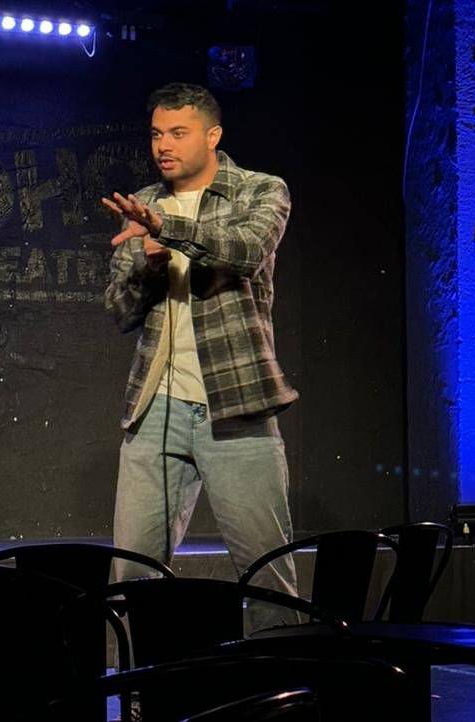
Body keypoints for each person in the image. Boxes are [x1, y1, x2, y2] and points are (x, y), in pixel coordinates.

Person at [102, 82, 299, 611]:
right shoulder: (141, 203)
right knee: (130, 579)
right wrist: (149, 265)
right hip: (154, 410)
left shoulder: (259, 190)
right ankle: (138, 695)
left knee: (267, 580)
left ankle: (278, 692)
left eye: (178, 132)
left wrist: (170, 230)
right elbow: (120, 309)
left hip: (237, 406)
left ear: (212, 135)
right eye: (157, 133)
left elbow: (245, 251)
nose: (163, 144)